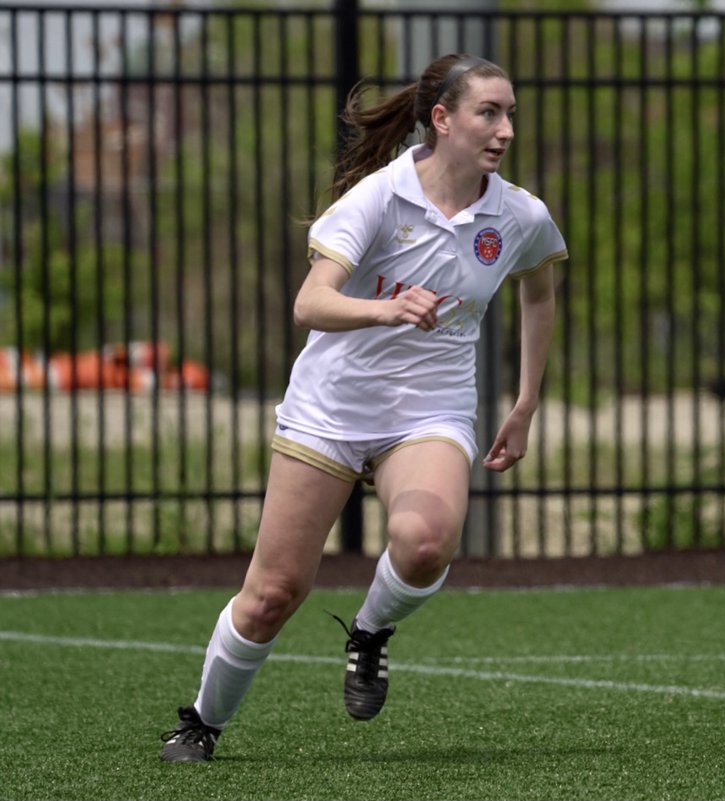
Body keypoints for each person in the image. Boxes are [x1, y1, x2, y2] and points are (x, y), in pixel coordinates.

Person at [160, 53, 567, 762]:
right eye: (488, 112)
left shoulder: (519, 214)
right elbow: (309, 303)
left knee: (426, 541)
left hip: (430, 411)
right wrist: (386, 308)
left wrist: (526, 400)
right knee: (273, 593)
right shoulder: (378, 198)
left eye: (510, 114)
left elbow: (539, 292)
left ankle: (370, 631)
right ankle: (202, 721)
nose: (505, 129)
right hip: (332, 409)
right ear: (442, 119)